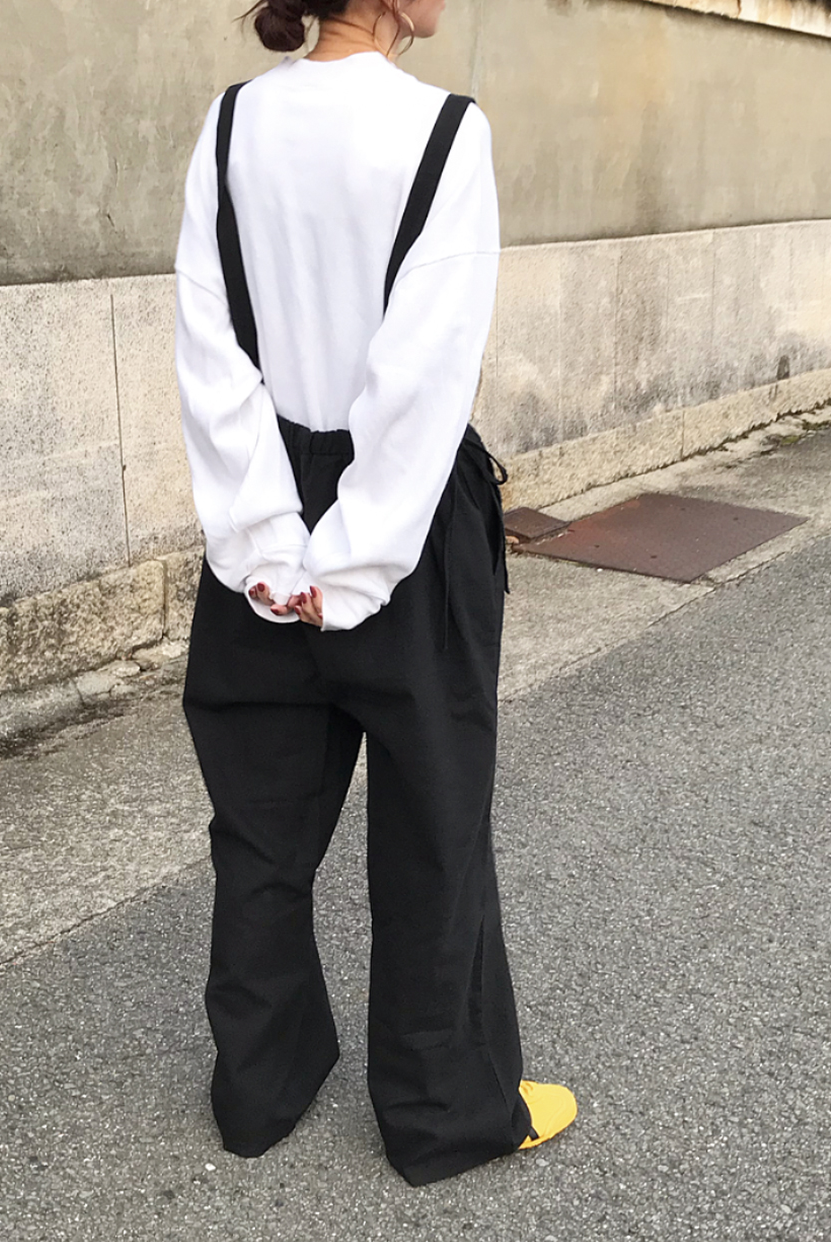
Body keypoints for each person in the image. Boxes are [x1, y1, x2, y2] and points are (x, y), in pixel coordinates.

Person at [173, 0, 577, 1187]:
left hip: (264, 511)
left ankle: (260, 1085)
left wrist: (269, 547)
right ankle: (443, 1108)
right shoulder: (445, 131)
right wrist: (347, 564)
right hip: (403, 526)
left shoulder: (232, 124)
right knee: (433, 825)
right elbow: (421, 377)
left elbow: (210, 353)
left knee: (260, 826)